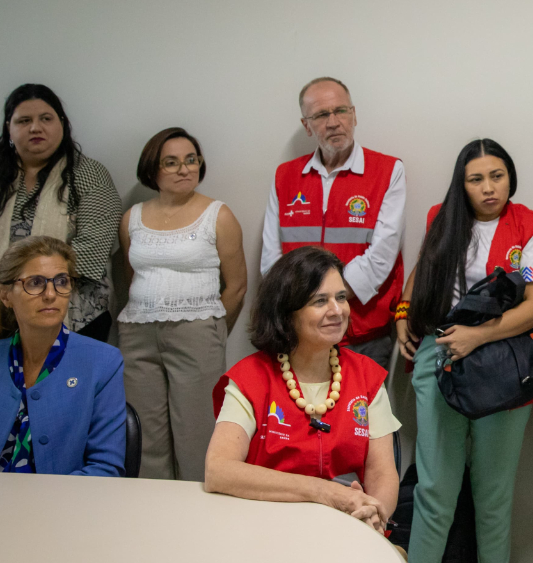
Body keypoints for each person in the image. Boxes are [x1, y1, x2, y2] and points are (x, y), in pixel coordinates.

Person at [394, 139, 533, 562]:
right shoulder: (440, 218)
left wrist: (477, 337)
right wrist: (402, 313)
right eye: (476, 179)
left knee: (494, 494)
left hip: (503, 364)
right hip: (440, 353)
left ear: (510, 178)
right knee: (434, 488)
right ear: (461, 184)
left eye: (497, 176)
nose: (488, 188)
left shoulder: (531, 225)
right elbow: (423, 272)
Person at [205, 246, 401, 535]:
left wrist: (373, 513)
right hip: (261, 530)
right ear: (287, 313)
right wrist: (322, 492)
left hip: (346, 529)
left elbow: (382, 473)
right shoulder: (250, 378)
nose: (337, 311)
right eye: (320, 301)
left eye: (341, 297)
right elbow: (218, 470)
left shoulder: (367, 376)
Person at [117, 127, 247, 481]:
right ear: (152, 170)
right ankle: (152, 517)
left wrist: (212, 333)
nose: (184, 169)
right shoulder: (133, 218)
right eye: (171, 162)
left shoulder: (218, 215)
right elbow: (132, 277)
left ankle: (199, 519)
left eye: (191, 160)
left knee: (196, 431)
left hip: (196, 334)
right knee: (145, 434)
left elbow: (236, 287)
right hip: (137, 334)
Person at [260, 77, 406, 370]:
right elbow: (271, 260)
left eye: (341, 111)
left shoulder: (388, 171)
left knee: (362, 416)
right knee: (299, 414)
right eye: (322, 115)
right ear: (307, 125)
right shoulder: (285, 176)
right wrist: (306, 309)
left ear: (354, 115)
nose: (334, 122)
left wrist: (323, 303)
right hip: (298, 331)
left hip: (362, 332)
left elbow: (381, 257)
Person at [0, 84, 122, 343]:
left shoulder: (89, 175)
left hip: (75, 322)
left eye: (45, 118)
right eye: (24, 121)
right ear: (9, 130)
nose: (35, 127)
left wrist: (23, 292)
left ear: (62, 125)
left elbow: (90, 252)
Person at [0, 236, 126, 475]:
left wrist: (46, 507)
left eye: (61, 281)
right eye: (35, 283)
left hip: (64, 507)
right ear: (6, 296)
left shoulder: (102, 362)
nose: (50, 294)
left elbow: (105, 468)